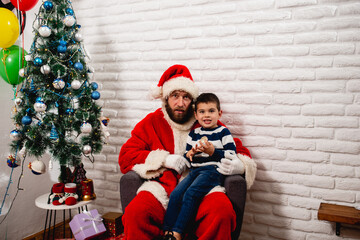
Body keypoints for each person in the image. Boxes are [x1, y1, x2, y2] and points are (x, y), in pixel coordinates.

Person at [118, 64, 256, 240]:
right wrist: (164, 159)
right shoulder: (152, 122)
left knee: (222, 212)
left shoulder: (203, 120)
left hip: (202, 186)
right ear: (166, 98)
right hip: (162, 187)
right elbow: (126, 155)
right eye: (175, 96)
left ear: (193, 101)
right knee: (135, 212)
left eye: (186, 97)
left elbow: (236, 147)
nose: (180, 103)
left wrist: (240, 165)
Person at [163, 93, 237, 240]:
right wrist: (189, 154)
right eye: (202, 112)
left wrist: (213, 152)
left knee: (191, 193)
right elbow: (187, 160)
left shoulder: (223, 132)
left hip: (212, 171)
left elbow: (232, 155)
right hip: (195, 171)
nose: (206, 115)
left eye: (211, 111)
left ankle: (177, 232)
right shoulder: (194, 134)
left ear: (219, 113)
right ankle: (167, 231)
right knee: (177, 193)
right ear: (196, 115)